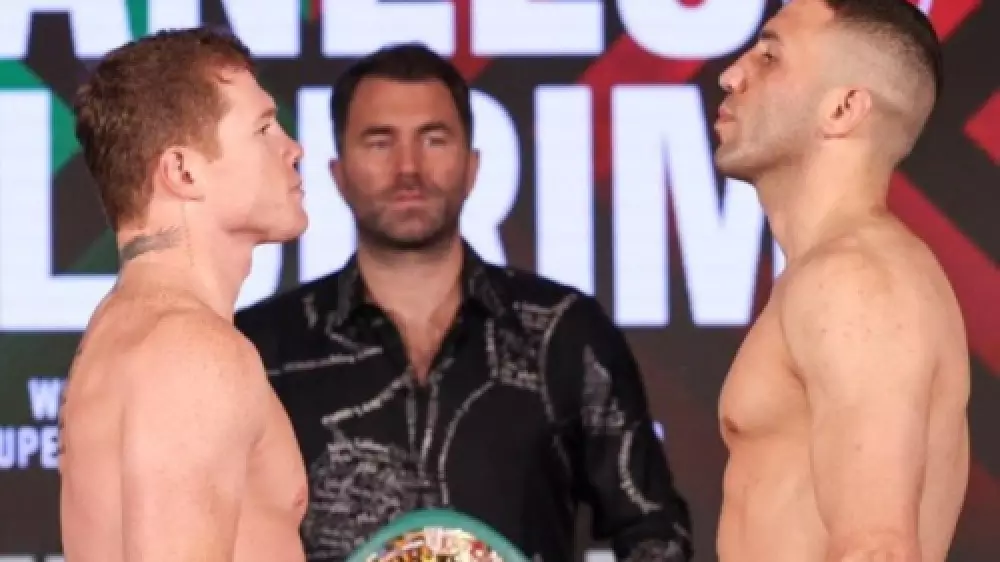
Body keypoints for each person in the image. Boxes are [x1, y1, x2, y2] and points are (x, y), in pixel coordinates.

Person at [234, 43, 693, 562]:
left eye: (434, 139)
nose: (408, 167)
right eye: (379, 141)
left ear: (473, 166)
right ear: (337, 173)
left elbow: (654, 532)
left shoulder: (562, 333)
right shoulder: (263, 351)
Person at [712, 0, 970, 561]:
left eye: (770, 57)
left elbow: (879, 550)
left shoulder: (856, 281)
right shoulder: (836, 272)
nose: (731, 75)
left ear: (844, 108)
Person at [59, 27, 309, 562]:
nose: (293, 148)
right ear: (183, 171)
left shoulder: (125, 330)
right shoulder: (194, 352)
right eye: (263, 128)